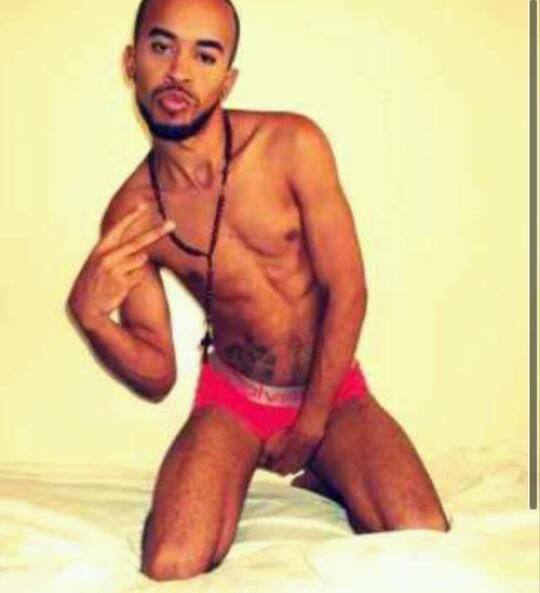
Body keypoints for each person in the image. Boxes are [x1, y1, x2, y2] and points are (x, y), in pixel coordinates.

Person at [67, 0, 450, 582]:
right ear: (130, 62)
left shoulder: (292, 145)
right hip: (234, 397)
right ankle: (243, 468)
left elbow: (347, 289)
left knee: (421, 532)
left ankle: (327, 471)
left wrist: (311, 426)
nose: (179, 71)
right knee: (171, 563)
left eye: (205, 55)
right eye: (161, 47)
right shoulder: (133, 213)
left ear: (227, 80)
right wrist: (93, 320)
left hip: (331, 390)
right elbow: (157, 374)